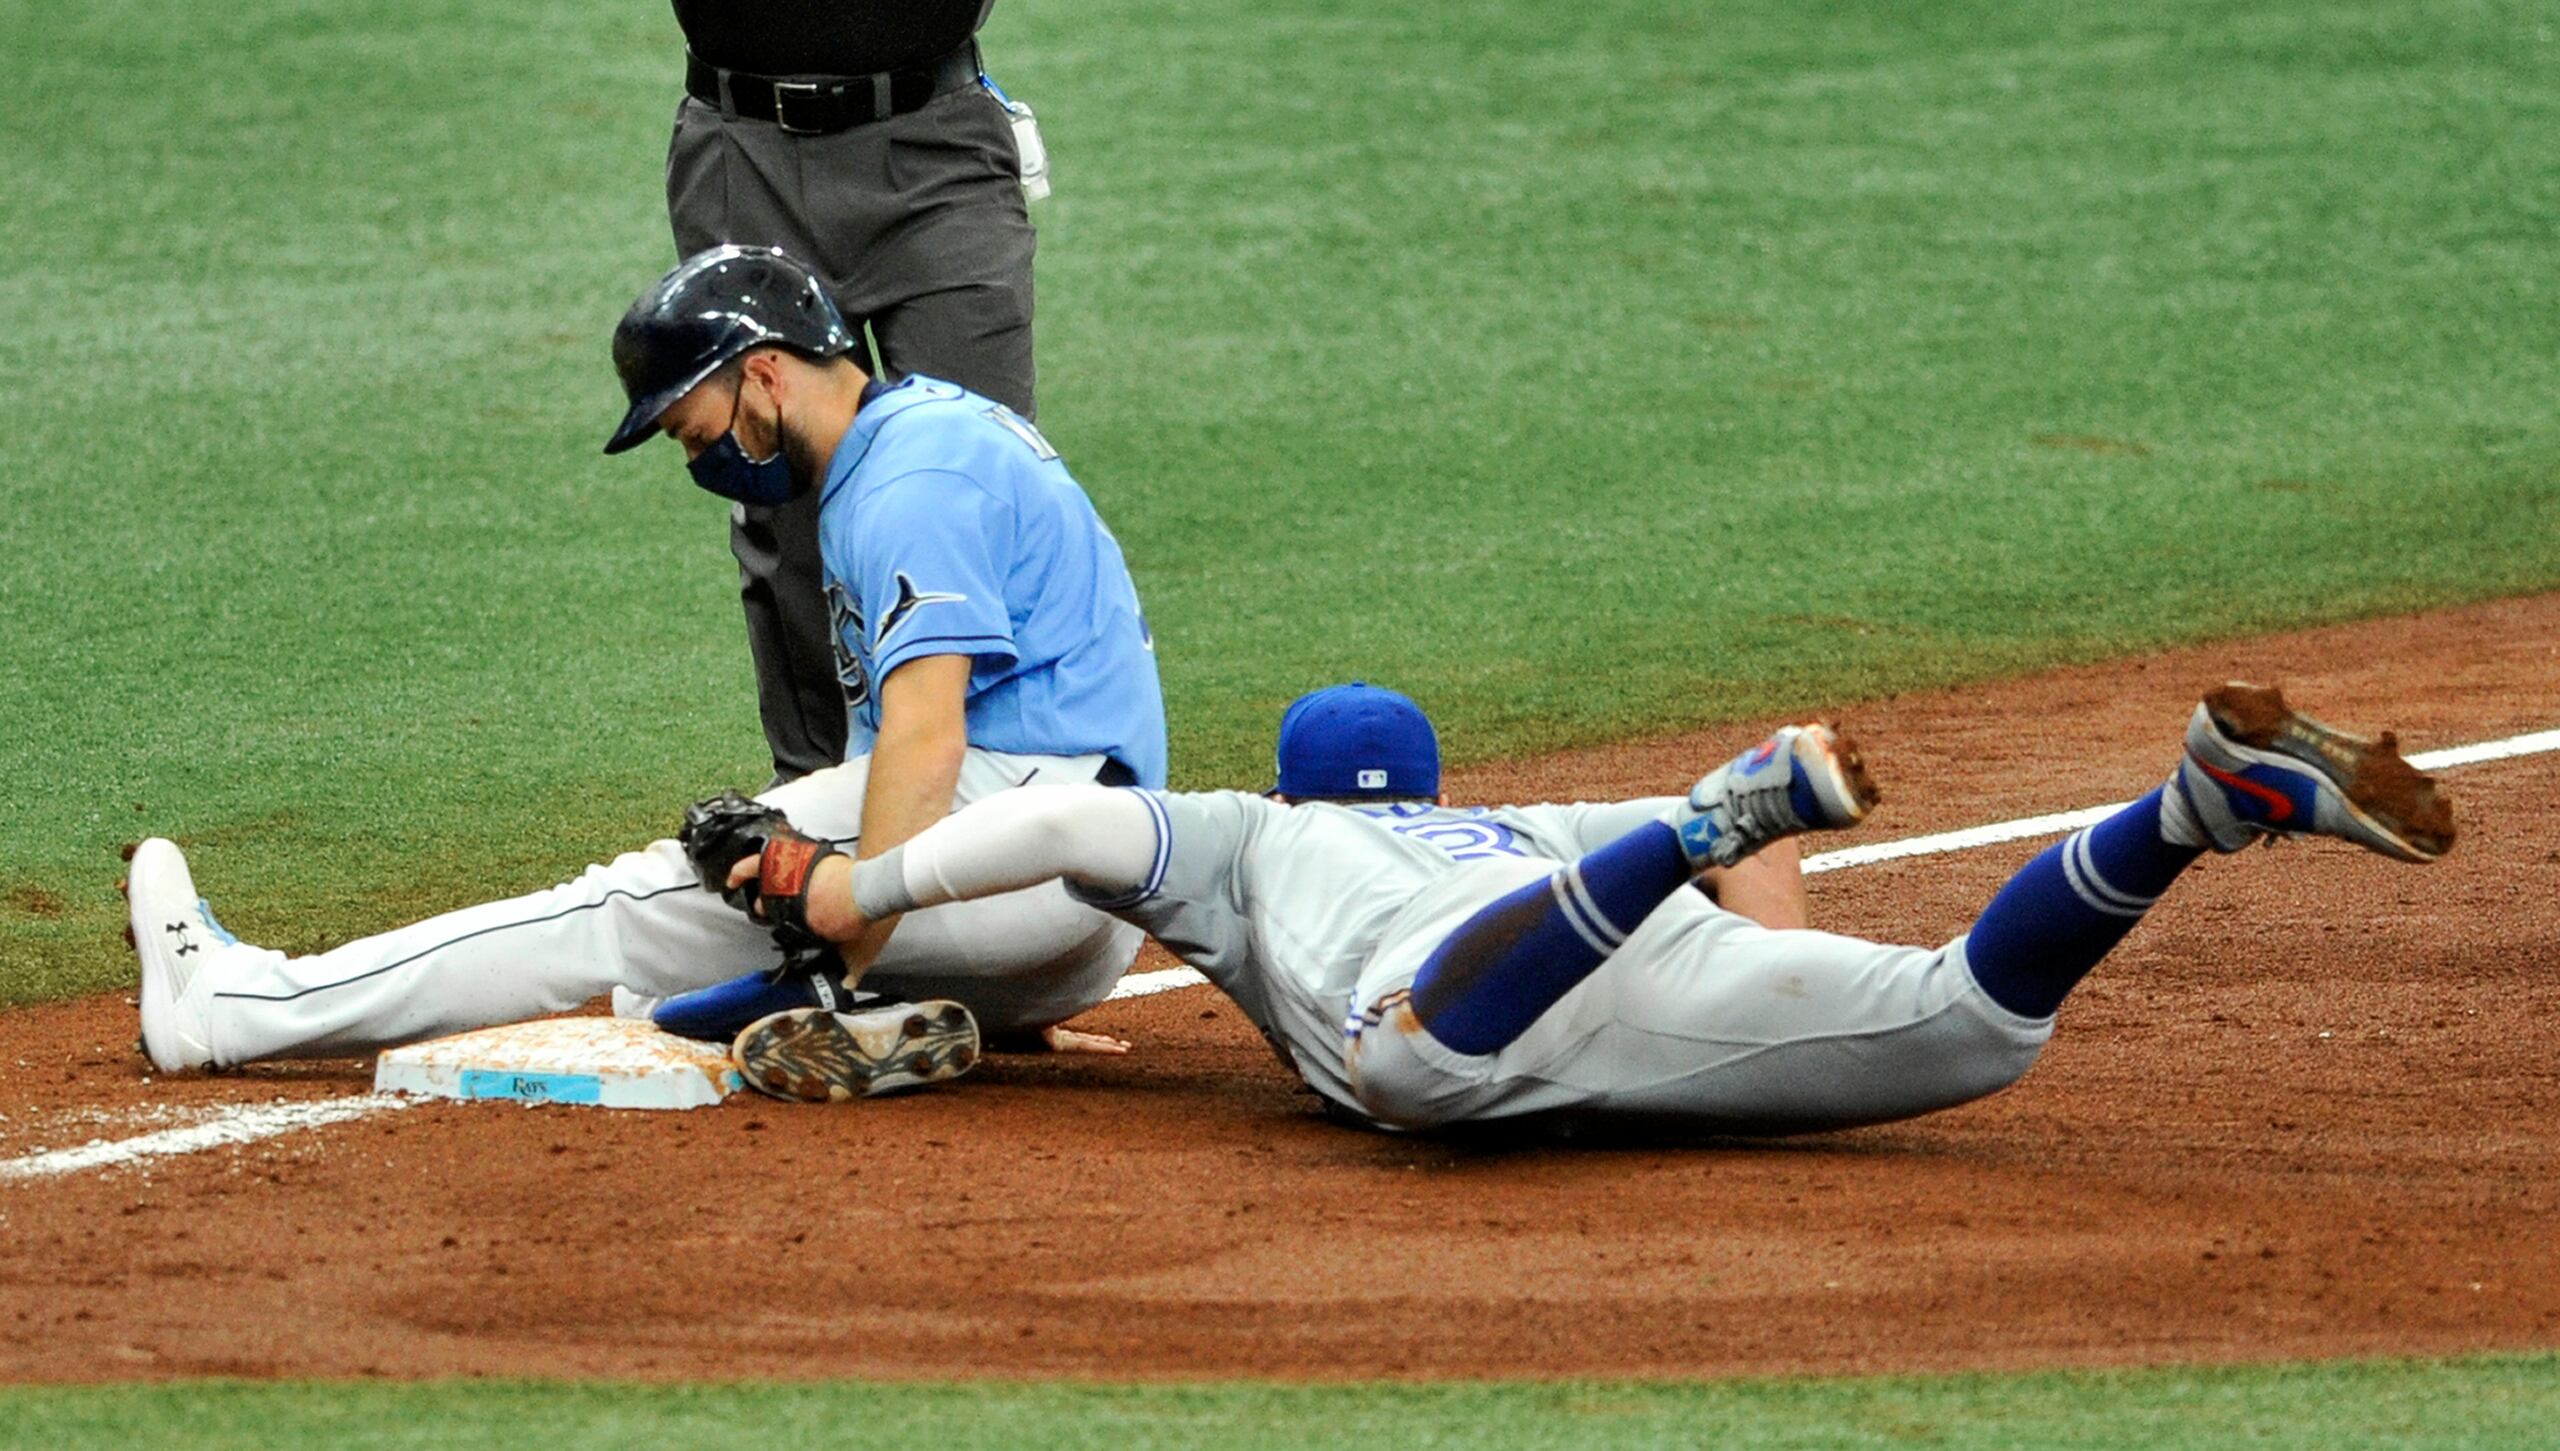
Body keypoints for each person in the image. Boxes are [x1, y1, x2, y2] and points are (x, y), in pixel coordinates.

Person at [126, 247, 1162, 1072]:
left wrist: (839, 955)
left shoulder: (911, 481)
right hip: (1087, 923)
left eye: (689, 425)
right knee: (746, 899)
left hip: (1019, 853)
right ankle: (916, 986)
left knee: (626, 908)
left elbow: (926, 743)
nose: (695, 455)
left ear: (763, 372)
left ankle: (234, 1005)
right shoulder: (919, 444)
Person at [718, 682, 2456, 1130]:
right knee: (1963, 1021)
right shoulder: (1520, 811)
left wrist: (858, 883)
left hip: (1469, 983)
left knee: (1405, 1068)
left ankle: (1697, 826)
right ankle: (2182, 814)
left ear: (1299, 778)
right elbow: (1773, 909)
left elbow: (1058, 830)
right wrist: (1766, 960)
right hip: (1639, 919)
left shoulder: (1248, 830)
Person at [666, 0, 1042, 784]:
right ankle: (813, 795)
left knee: (977, 477)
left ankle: (1010, 780)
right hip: (742, 151)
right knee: (780, 493)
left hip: (936, 142)